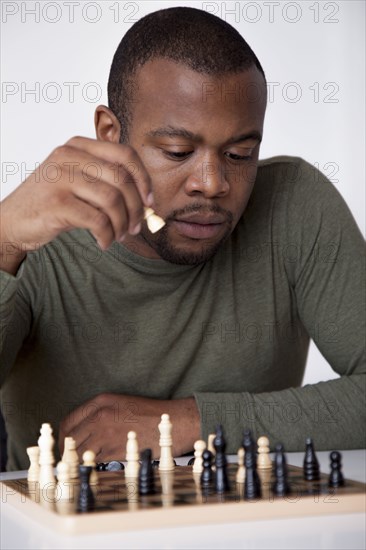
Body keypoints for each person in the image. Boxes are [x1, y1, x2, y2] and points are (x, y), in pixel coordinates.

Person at [0, 7, 364, 471]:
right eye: (178, 152)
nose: (212, 183)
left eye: (240, 153)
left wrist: (191, 422)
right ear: (112, 135)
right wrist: (3, 239)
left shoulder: (294, 205)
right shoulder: (37, 240)